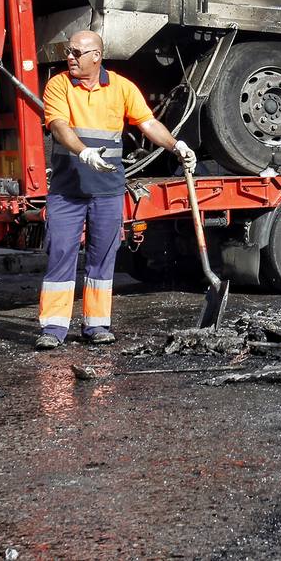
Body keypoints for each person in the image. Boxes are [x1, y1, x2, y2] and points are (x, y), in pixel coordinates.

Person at [36, 30, 197, 349]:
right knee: (61, 253)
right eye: (69, 50)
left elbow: (147, 123)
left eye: (77, 52)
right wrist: (82, 151)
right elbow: (58, 125)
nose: (70, 56)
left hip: (107, 189)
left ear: (96, 56)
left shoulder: (122, 88)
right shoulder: (58, 84)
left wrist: (176, 145)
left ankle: (96, 325)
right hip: (67, 189)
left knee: (103, 256)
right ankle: (53, 328)